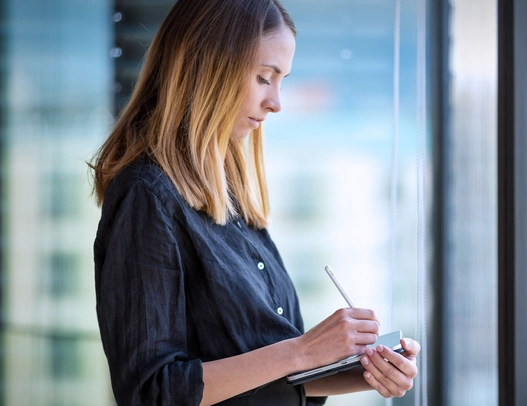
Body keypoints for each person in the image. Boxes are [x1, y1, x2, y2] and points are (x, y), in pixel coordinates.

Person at [90, 0, 420, 405]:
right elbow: (151, 392)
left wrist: (361, 372)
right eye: (265, 77)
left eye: (281, 81)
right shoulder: (147, 196)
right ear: (208, 69)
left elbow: (260, 385)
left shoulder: (232, 200)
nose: (276, 102)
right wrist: (303, 350)